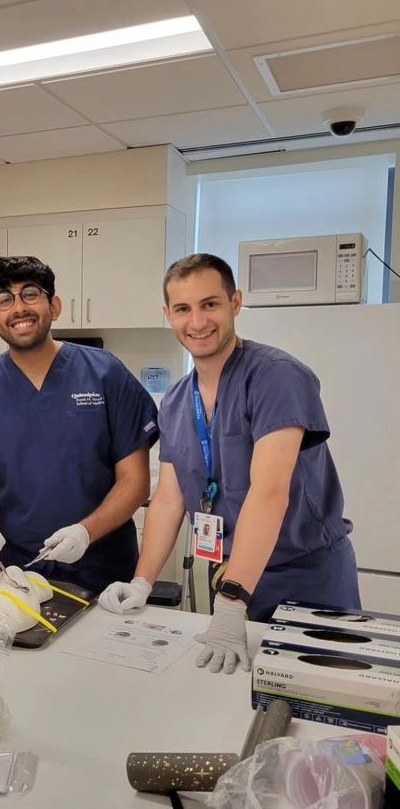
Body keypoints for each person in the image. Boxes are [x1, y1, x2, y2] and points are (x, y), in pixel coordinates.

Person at [99, 253, 361, 674]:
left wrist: (231, 600)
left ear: (235, 302)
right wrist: (142, 581)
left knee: (318, 706)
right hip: (237, 575)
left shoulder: (277, 377)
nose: (197, 321)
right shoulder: (177, 400)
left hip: (307, 576)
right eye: (183, 309)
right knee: (244, 704)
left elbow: (270, 493)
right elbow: (169, 498)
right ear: (168, 315)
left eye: (210, 304)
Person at [0, 256, 159, 593]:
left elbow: (135, 481)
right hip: (13, 572)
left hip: (100, 568)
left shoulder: (105, 374)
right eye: (4, 299)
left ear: (54, 306)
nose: (18, 308)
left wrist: (85, 532)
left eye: (30, 294)